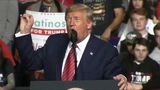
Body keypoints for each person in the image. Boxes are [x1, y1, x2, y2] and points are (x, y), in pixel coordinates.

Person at [15, 4, 127, 89]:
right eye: (68, 19)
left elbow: (112, 82)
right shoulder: (55, 41)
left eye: (76, 19)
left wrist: (120, 79)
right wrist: (25, 32)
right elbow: (30, 63)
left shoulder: (106, 52)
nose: (71, 23)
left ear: (89, 24)